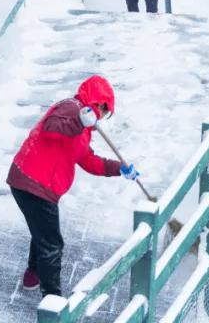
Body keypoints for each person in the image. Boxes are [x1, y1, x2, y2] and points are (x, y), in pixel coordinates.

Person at [7, 75, 141, 297]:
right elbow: (51, 127)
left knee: (42, 232)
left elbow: (88, 160)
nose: (102, 117)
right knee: (52, 245)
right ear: (97, 102)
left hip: (32, 183)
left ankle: (32, 275)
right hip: (35, 184)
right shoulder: (72, 108)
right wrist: (80, 121)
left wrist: (119, 168)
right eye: (103, 111)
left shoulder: (82, 128)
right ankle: (52, 300)